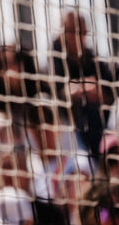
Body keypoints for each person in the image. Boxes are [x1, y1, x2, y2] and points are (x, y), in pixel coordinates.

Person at [48, 10, 117, 157]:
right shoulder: (56, 58)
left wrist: (97, 92)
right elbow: (61, 90)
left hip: (101, 122)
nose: (76, 35)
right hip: (71, 127)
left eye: (80, 30)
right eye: (70, 30)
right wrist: (86, 88)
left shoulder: (94, 59)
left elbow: (109, 95)